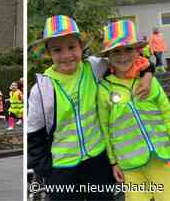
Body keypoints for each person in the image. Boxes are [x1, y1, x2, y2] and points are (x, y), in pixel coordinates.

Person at [27, 15, 152, 201]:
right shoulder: (41, 88)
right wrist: (47, 171)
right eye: (57, 49)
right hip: (62, 168)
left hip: (98, 161)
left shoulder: (94, 67)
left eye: (72, 47)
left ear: (80, 47)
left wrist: (148, 74)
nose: (66, 55)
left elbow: (129, 62)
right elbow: (34, 136)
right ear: (49, 53)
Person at [98, 20, 170, 201]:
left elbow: (167, 113)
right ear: (108, 55)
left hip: (161, 158)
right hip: (129, 164)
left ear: (137, 51)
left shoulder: (149, 81)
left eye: (128, 49)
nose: (123, 56)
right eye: (116, 51)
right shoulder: (104, 89)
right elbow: (105, 129)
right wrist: (113, 161)